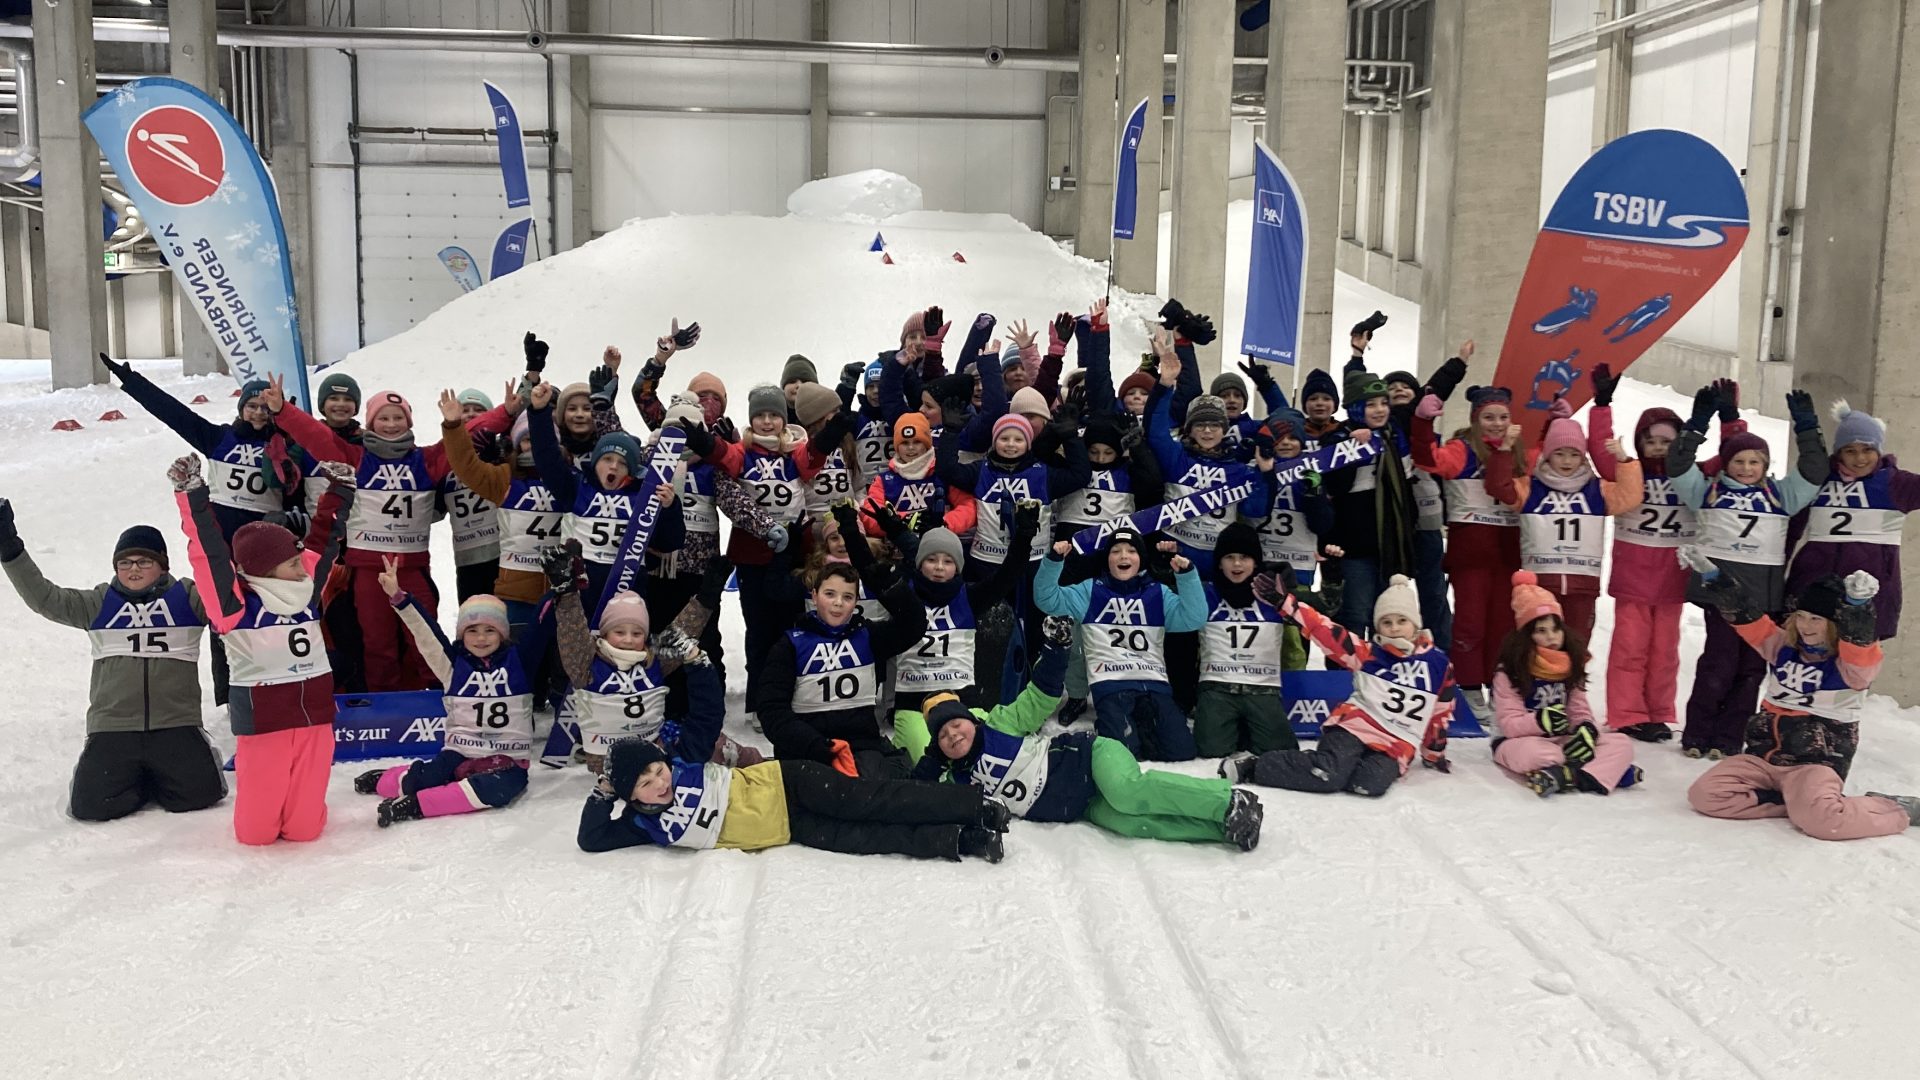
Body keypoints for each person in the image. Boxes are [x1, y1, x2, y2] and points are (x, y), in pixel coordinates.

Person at [576, 663, 1010, 862]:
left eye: (657, 769)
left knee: (876, 801)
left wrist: (698, 666)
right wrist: (603, 793)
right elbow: (592, 839)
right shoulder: (643, 824)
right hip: (790, 827)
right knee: (869, 838)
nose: (660, 782)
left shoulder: (684, 760)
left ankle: (976, 806)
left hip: (789, 783)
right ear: (632, 796)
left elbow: (707, 715)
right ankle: (964, 839)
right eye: (646, 783)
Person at [897, 629, 1266, 851]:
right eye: (942, 735)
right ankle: (1224, 828)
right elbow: (921, 796)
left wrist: (1057, 651)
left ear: (970, 720)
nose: (953, 734)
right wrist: (932, 758)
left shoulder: (999, 724)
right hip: (1081, 806)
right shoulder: (957, 781)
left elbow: (1040, 695)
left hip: (1089, 757)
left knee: (1128, 793)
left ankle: (1227, 801)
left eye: (955, 725)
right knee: (1131, 823)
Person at [0, 502, 225, 822]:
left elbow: (227, 598)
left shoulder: (188, 598)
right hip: (114, 727)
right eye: (124, 563)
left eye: (144, 561)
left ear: (162, 565)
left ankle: (158, 773)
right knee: (90, 807)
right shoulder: (99, 603)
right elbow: (45, 598)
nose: (133, 569)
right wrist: (9, 546)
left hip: (176, 722)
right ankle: (142, 781)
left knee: (201, 795)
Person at [99, 356, 304, 704]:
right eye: (251, 406)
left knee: (269, 611)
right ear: (241, 408)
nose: (258, 413)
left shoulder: (286, 445)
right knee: (222, 616)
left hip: (266, 547)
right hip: (223, 545)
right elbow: (175, 413)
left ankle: (277, 681)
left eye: (264, 407)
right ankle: (229, 694)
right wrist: (133, 382)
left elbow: (298, 491)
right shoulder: (218, 438)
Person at [172, 452, 353, 845]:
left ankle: (304, 810)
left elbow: (325, 542)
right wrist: (192, 495)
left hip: (315, 720)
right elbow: (208, 554)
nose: (302, 567)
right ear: (265, 569)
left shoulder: (307, 594)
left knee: (304, 831)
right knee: (256, 834)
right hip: (264, 723)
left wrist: (340, 491)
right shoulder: (235, 609)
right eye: (292, 563)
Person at [1686, 566, 1919, 841]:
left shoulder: (1853, 668)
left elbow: (1860, 643)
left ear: (1835, 624)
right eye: (1801, 616)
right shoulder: (1782, 647)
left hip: (1813, 765)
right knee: (1705, 795)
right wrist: (1715, 578)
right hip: (1763, 759)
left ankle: (1894, 808)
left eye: (1816, 619)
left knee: (1826, 823)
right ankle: (1798, 804)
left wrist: (1856, 607)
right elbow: (1747, 617)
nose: (1805, 626)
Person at [264, 373, 450, 692]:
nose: (391, 424)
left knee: (425, 637)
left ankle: (436, 697)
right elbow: (318, 437)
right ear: (371, 423)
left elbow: (465, 441)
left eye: (398, 418)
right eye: (383, 418)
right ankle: (383, 703)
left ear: (409, 422)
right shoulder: (356, 458)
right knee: (377, 643)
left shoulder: (427, 460)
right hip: (367, 569)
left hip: (412, 567)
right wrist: (283, 411)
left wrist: (458, 424)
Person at [1671, 385, 1827, 758]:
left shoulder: (1780, 495)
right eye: (1738, 461)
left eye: (1754, 462)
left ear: (1765, 465)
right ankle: (1698, 733)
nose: (1746, 468)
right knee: (1719, 663)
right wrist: (1697, 422)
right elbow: (1677, 464)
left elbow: (1814, 469)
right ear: (1726, 464)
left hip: (1762, 597)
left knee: (1751, 669)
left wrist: (1806, 426)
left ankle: (1729, 737)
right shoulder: (1706, 492)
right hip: (1721, 592)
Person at [355, 557, 551, 827]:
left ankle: (415, 806)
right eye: (472, 630)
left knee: (499, 789)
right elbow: (426, 633)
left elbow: (540, 628)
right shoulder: (452, 665)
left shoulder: (520, 663)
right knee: (426, 778)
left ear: (503, 634)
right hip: (459, 753)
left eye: (490, 630)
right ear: (461, 634)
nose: (481, 638)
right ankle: (386, 779)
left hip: (508, 759)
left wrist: (557, 590)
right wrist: (399, 597)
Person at [1219, 574, 1454, 797]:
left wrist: (1433, 754)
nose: (1394, 628)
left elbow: (1440, 713)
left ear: (1415, 624)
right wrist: (1285, 603)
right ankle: (1254, 766)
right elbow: (1324, 630)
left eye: (1402, 621)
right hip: (1354, 728)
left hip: (1396, 743)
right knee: (1328, 773)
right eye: (1386, 622)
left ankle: (1329, 769)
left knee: (1369, 784)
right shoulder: (1369, 654)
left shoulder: (1439, 665)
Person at [555, 551, 761, 770]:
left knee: (713, 742)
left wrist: (707, 596)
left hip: (656, 752)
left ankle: (761, 765)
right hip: (610, 762)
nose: (628, 640)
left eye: (636, 634)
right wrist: (566, 593)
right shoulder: (586, 665)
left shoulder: (651, 660)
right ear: (604, 634)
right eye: (619, 632)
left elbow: (683, 629)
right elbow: (572, 630)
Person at [1585, 365, 1694, 741]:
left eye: (1667, 441)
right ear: (1640, 443)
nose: (1659, 448)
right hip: (1634, 577)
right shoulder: (1628, 471)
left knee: (1665, 652)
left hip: (1673, 578)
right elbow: (1601, 453)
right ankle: (1628, 713)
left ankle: (1659, 710)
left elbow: (1732, 458)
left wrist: (1728, 418)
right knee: (1630, 648)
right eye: (1651, 441)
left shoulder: (1690, 476)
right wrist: (1602, 404)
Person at [1034, 528, 1207, 762]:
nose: (1124, 556)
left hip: (1154, 684)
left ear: (1141, 559)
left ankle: (1140, 729)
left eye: (1131, 551)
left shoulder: (1157, 593)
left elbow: (1194, 618)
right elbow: (1047, 599)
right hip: (1111, 686)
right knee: (1123, 754)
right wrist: (1053, 562)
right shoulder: (1090, 590)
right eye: (1115, 551)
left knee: (1182, 751)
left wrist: (1187, 576)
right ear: (1107, 559)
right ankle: (1113, 729)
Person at [752, 561, 927, 778]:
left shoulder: (869, 637)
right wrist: (817, 746)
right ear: (814, 596)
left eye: (847, 597)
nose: (838, 603)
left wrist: (889, 586)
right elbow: (772, 710)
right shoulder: (789, 646)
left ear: (855, 603)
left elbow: (914, 625)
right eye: (830, 594)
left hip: (862, 748)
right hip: (807, 749)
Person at [1410, 376, 1522, 711]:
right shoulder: (1463, 449)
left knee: (1504, 624)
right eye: (1489, 417)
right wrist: (1422, 422)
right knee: (1470, 623)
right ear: (1475, 419)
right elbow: (1427, 459)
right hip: (1471, 553)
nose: (1497, 424)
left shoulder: (1517, 450)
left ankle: (1500, 685)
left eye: (1503, 417)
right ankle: (1469, 685)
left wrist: (1553, 422)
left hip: (1508, 552)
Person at [1484, 403, 1643, 639]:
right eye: (1559, 453)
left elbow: (1631, 496)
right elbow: (1498, 487)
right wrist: (1505, 449)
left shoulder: (1597, 489)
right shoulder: (1531, 487)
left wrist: (1624, 460)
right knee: (1538, 644)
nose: (1567, 461)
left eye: (1574, 454)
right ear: (1548, 454)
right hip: (1540, 581)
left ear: (1582, 457)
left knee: (1577, 644)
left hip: (1583, 582)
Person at [1489, 572, 1638, 797]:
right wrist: (1540, 721)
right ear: (1526, 635)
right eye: (1541, 631)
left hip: (1562, 739)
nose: (1552, 637)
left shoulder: (1571, 663)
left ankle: (1567, 776)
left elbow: (1579, 709)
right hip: (1518, 742)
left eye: (1555, 629)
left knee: (1621, 743)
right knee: (1543, 755)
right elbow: (1509, 725)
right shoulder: (1509, 671)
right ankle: (1599, 772)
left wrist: (1586, 730)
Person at [1786, 400, 1920, 641]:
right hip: (1813, 589)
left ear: (1878, 450)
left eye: (1867, 449)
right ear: (1839, 453)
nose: (1860, 458)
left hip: (1870, 595)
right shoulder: (1820, 480)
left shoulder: (1895, 483)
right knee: (1807, 657)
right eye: (1850, 451)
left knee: (1855, 663)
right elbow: (1790, 530)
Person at [1191, 523, 1295, 758]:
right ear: (1219, 563)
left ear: (1256, 562)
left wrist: (1332, 573)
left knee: (1280, 752)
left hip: (1262, 688)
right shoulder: (1205, 593)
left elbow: (1321, 609)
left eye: (1244, 557)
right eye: (1229, 557)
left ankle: (1246, 729)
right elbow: (1169, 602)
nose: (1237, 564)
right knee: (1210, 751)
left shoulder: (1274, 595)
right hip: (1217, 687)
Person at [443, 388, 503, 603]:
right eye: (465, 409)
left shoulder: (502, 451)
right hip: (468, 557)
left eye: (478, 409)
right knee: (474, 616)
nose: (470, 414)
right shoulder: (445, 459)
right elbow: (432, 510)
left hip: (504, 553)